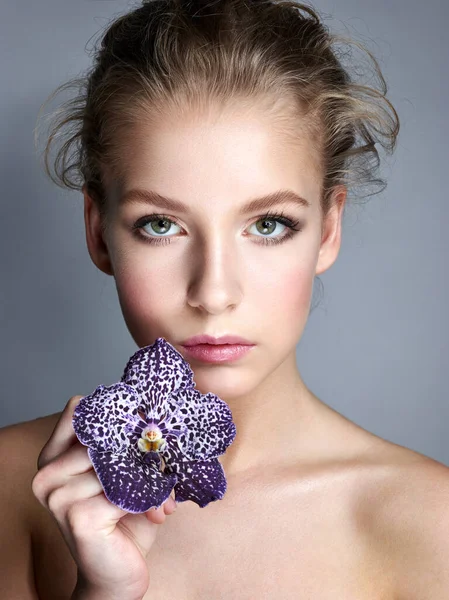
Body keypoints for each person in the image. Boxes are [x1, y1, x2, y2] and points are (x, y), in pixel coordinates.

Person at [1, 0, 448, 598]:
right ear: (97, 231)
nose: (213, 293)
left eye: (268, 225)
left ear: (329, 229)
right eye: (160, 225)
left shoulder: (429, 524)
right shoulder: (12, 489)